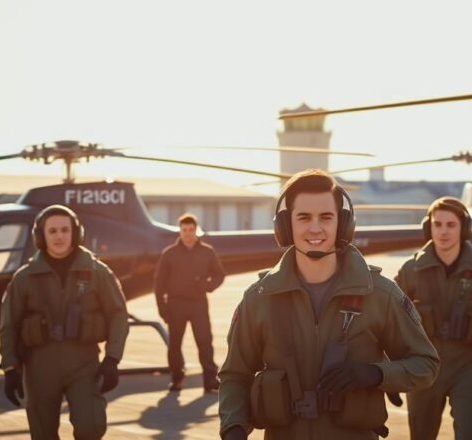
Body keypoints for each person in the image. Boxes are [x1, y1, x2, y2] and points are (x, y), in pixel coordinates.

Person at [218, 169, 440, 440]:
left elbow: (425, 365)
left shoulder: (380, 294)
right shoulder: (259, 298)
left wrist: (376, 373)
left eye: (326, 217)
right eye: (303, 218)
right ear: (286, 226)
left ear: (343, 224)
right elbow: (235, 375)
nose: (315, 228)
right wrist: (234, 428)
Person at [391, 196, 472, 440]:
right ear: (428, 227)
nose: (443, 232)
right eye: (437, 224)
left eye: (451, 225)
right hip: (422, 366)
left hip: (465, 366)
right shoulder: (411, 270)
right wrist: (391, 369)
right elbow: (390, 320)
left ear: (465, 229)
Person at [0, 204, 130, 440]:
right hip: (39, 367)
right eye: (52, 231)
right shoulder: (24, 278)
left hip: (83, 364)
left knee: (90, 427)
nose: (59, 236)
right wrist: (10, 369)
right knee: (43, 434)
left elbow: (118, 314)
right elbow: (9, 325)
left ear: (76, 234)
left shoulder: (97, 272)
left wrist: (112, 359)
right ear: (41, 236)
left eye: (65, 230)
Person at [154, 212, 226, 392]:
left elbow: (219, 275)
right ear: (180, 231)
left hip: (198, 304)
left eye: (191, 230)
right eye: (184, 230)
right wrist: (162, 308)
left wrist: (207, 286)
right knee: (175, 344)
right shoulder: (169, 253)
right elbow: (159, 283)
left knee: (205, 342)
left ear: (196, 230)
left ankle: (210, 381)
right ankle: (176, 379)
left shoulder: (207, 252)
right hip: (175, 304)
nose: (187, 233)